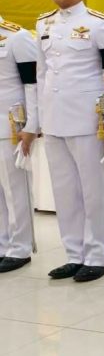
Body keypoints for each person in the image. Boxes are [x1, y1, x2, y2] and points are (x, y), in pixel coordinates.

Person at [36, 0, 104, 282]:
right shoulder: (43, 23)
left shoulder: (100, 24)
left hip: (88, 117)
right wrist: (39, 116)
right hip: (54, 117)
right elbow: (42, 73)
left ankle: (99, 255)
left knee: (92, 190)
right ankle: (74, 254)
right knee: (64, 190)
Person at [0, 14, 39, 273]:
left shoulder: (17, 37)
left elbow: (33, 83)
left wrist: (32, 125)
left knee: (16, 190)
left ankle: (20, 247)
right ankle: (2, 245)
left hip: (10, 124)